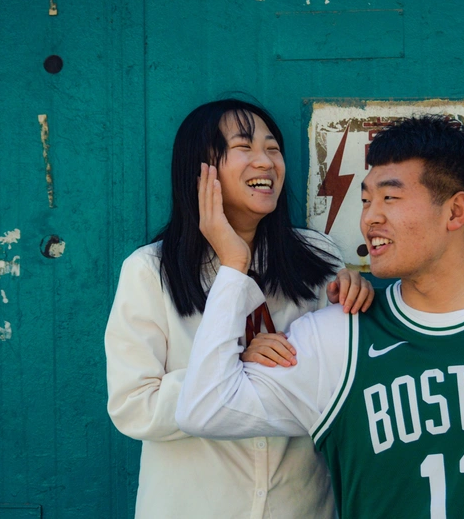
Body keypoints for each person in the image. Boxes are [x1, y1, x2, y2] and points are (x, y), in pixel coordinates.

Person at [176, 115, 464, 518]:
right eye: (366, 200)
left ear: (455, 211)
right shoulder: (338, 337)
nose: (370, 218)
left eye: (390, 199)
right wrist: (233, 266)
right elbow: (204, 409)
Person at [105, 98, 373, 519]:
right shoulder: (150, 271)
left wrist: (357, 307)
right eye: (244, 147)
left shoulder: (316, 258)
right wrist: (232, 366)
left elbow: (342, 388)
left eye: (272, 148)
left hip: (300, 507)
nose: (265, 161)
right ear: (200, 168)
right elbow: (134, 407)